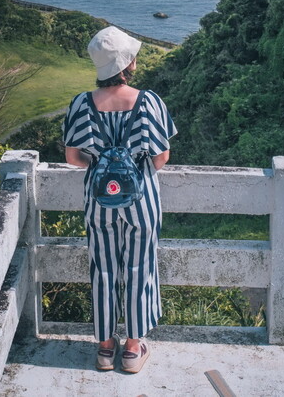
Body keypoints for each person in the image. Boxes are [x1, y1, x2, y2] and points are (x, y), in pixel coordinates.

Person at [63, 26, 176, 374]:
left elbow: (72, 157)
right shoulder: (149, 101)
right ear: (127, 62)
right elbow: (161, 157)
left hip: (98, 201)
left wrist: (97, 166)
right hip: (141, 199)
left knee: (103, 268)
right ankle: (131, 349)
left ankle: (104, 348)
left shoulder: (82, 104)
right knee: (140, 268)